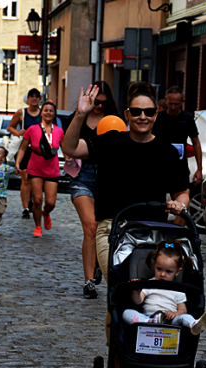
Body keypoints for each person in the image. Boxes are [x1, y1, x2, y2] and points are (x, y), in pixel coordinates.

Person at [62, 82, 190, 354]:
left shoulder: (167, 151)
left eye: (149, 111)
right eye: (136, 111)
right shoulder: (110, 142)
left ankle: (143, 350)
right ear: (127, 114)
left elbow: (182, 192)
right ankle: (122, 358)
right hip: (113, 230)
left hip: (151, 234)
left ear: (157, 114)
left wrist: (179, 206)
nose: (142, 116)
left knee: (139, 294)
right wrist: (80, 114)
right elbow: (70, 148)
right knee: (122, 289)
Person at [66, 80, 119, 299]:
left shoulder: (115, 120)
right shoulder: (79, 116)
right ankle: (89, 281)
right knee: (91, 226)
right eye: (96, 102)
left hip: (108, 177)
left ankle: (98, 261)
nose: (98, 107)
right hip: (82, 176)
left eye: (103, 103)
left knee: (105, 229)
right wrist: (81, 114)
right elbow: (66, 143)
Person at [123, 240, 206, 335]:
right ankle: (150, 322)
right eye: (159, 269)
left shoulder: (178, 289)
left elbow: (183, 310)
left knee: (184, 317)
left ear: (177, 272)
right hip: (148, 318)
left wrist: (175, 314)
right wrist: (136, 292)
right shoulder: (149, 284)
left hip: (171, 321)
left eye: (168, 271)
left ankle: (193, 324)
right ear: (154, 265)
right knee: (127, 313)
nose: (162, 274)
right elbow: (138, 301)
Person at [7, 88, 64, 219]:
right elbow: (10, 127)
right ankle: (26, 207)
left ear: (40, 99)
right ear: (27, 99)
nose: (34, 99)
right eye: (31, 96)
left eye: (36, 97)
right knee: (26, 179)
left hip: (44, 152)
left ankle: (34, 200)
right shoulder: (22, 112)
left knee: (35, 183)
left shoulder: (44, 113)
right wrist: (18, 133)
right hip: (27, 148)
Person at [15, 101, 64, 238]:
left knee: (50, 202)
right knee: (37, 200)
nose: (48, 113)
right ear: (41, 113)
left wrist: (71, 161)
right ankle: (37, 226)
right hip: (35, 168)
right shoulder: (32, 129)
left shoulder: (59, 131)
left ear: (54, 114)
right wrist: (18, 163)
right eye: (46, 110)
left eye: (51, 111)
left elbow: (65, 150)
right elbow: (23, 148)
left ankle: (46, 213)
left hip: (52, 169)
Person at [152, 86, 203, 186]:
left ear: (183, 102)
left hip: (180, 167)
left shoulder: (187, 118)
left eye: (177, 104)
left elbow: (196, 142)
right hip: (159, 167)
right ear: (166, 100)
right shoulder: (158, 117)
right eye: (170, 103)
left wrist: (199, 169)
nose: (173, 107)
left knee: (181, 197)